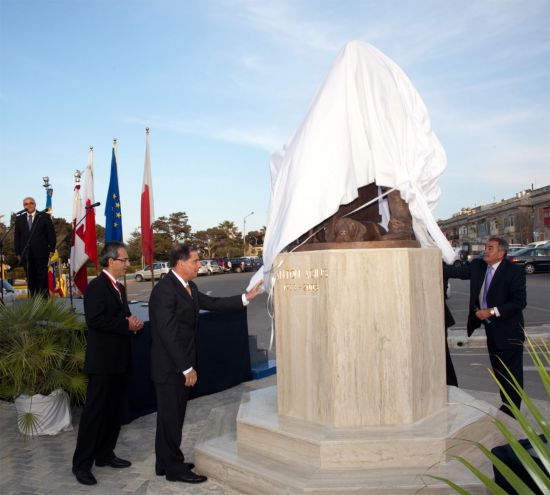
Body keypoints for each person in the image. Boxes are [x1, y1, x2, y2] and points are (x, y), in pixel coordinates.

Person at [149, 244, 263, 484]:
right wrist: (186, 368)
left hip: (178, 364)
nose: (199, 265)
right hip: (170, 368)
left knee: (171, 418)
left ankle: (164, 462)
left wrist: (246, 297)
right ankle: (174, 469)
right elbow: (167, 334)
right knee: (171, 419)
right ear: (181, 263)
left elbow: (214, 304)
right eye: (195, 261)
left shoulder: (188, 286)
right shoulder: (164, 291)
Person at [72, 242, 144, 486]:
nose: (127, 264)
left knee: (114, 412)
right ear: (110, 261)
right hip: (102, 363)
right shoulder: (96, 287)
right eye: (124, 260)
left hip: (119, 360)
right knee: (94, 415)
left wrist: (131, 321)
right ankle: (82, 465)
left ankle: (105, 454)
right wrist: (125, 324)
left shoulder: (119, 288)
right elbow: (95, 320)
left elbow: (119, 316)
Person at [444, 237, 526, 415]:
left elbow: (519, 302)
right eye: (485, 247)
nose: (485, 251)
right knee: (498, 370)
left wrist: (491, 311)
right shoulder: (479, 266)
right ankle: (506, 405)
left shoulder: (514, 271)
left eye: (490, 248)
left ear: (501, 253)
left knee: (511, 372)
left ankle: (514, 410)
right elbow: (454, 271)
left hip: (509, 330)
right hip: (491, 329)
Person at [14, 197, 56, 296]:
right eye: (26, 204)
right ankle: (33, 303)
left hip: (41, 253)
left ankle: (44, 303)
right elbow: (17, 237)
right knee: (30, 278)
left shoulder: (44, 216)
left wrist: (52, 249)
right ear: (23, 206)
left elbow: (51, 234)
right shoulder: (19, 219)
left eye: (31, 203)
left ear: (35, 204)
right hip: (26, 254)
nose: (29, 205)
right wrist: (17, 252)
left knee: (42, 278)